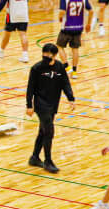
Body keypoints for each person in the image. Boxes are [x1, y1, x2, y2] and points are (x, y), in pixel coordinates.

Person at [25, 42, 74, 174]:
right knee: (49, 131)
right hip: (41, 105)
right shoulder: (36, 69)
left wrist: (71, 98)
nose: (45, 58)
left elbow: (65, 83)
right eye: (44, 55)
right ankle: (48, 161)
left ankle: (34, 157)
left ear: (54, 56)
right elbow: (30, 88)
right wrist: (29, 105)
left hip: (53, 104)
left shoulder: (59, 67)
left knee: (43, 131)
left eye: (48, 56)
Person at [56, 0, 92, 73]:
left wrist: (60, 17)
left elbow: (62, 12)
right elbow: (91, 11)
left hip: (66, 28)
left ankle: (66, 66)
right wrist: (88, 24)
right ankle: (75, 71)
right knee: (75, 49)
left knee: (59, 46)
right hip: (78, 28)